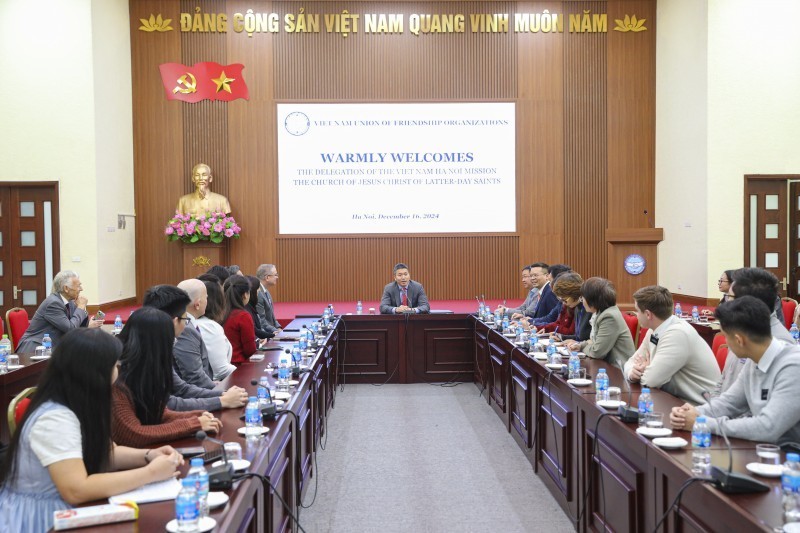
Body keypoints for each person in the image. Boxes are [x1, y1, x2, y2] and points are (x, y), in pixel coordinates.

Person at [0, 329, 182, 532]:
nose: (118, 371)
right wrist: (150, 473)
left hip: (68, 510)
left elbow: (106, 452)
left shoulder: (80, 402)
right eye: (114, 365)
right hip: (43, 519)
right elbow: (76, 489)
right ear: (94, 372)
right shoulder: (54, 419)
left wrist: (149, 455)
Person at [670, 296, 800, 444]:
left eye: (725, 337)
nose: (725, 342)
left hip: (790, 456)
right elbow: (729, 403)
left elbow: (768, 427)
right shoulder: (754, 359)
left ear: (739, 340)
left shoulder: (793, 366)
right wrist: (694, 413)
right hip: (763, 450)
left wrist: (702, 422)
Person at [112, 307, 223, 447]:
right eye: (170, 340)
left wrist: (198, 415)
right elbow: (133, 433)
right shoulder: (117, 377)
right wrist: (193, 423)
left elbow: (159, 413)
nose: (173, 344)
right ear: (157, 343)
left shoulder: (143, 368)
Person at [142, 285, 247, 413]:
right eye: (185, 319)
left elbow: (181, 388)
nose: (186, 324)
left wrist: (224, 395)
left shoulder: (157, 343)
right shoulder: (148, 351)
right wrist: (221, 401)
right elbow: (169, 404)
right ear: (175, 321)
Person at [624, 285, 720, 405]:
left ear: (648, 314)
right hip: (674, 399)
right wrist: (632, 373)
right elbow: (630, 362)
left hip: (698, 408)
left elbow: (650, 381)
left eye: (637, 311)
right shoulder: (654, 329)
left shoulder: (677, 334)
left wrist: (645, 370)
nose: (636, 315)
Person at [714, 267, 794, 396]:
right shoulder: (742, 330)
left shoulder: (778, 344)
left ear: (748, 304)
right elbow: (724, 381)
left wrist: (711, 415)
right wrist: (706, 412)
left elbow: (758, 407)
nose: (726, 302)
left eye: (730, 297)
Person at [16, 270, 103, 353]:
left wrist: (87, 325)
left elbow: (75, 326)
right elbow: (70, 329)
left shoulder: (70, 302)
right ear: (66, 288)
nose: (81, 289)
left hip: (53, 347)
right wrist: (80, 307)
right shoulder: (53, 303)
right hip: (35, 349)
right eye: (78, 286)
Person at [566, 277, 632, 370]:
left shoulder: (609, 317)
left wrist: (583, 348)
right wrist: (580, 345)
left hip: (617, 371)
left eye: (582, 298)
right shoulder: (599, 313)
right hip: (603, 366)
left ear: (592, 300)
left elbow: (597, 352)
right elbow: (594, 341)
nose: (582, 301)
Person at [175, 279, 216, 389]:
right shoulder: (184, 328)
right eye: (206, 298)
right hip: (197, 396)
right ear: (197, 304)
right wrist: (220, 392)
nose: (207, 301)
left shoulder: (189, 323)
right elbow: (194, 377)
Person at [196, 279, 236, 380]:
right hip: (213, 387)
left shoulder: (198, 322)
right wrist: (246, 375)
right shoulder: (210, 326)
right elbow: (221, 370)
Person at [223, 276, 258, 364]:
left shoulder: (219, 313)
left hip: (223, 365)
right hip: (240, 367)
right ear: (245, 295)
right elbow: (250, 350)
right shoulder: (243, 316)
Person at [537, 272, 583, 337]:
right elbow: (558, 323)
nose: (563, 303)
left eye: (564, 300)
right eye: (561, 300)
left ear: (574, 294)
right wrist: (544, 328)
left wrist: (557, 331)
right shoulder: (567, 304)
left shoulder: (582, 307)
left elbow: (571, 332)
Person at [256, 263, 283, 336]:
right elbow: (261, 321)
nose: (277, 277)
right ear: (267, 277)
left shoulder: (265, 291)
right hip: (264, 336)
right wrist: (276, 331)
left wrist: (278, 327)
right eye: (275, 275)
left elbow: (271, 316)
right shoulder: (258, 293)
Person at [246, 275, 273, 340]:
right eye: (258, 288)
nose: (259, 290)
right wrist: (272, 335)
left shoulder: (251, 306)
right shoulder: (246, 310)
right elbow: (256, 330)